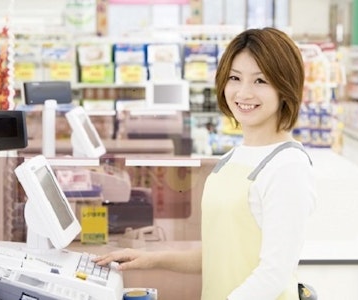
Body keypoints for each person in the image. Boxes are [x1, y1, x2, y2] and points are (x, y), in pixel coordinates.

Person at [94, 27, 317, 300]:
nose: (243, 93)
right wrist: (150, 259)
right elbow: (219, 252)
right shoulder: (231, 158)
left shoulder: (288, 166)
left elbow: (274, 274)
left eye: (260, 81)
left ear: (285, 87)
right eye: (235, 78)